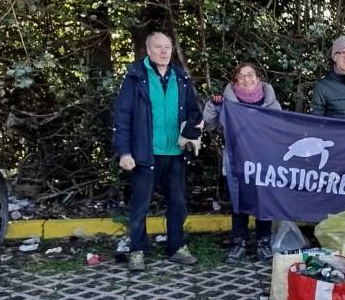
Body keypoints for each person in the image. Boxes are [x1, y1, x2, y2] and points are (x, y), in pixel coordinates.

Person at [114, 31, 203, 271]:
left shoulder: (180, 76)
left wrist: (195, 129)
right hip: (145, 153)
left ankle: (177, 248)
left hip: (175, 153)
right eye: (158, 47)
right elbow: (122, 117)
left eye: (167, 47)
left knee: (177, 203)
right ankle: (137, 251)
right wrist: (124, 152)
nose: (164, 51)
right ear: (148, 50)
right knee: (140, 206)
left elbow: (194, 111)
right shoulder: (135, 77)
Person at [203, 62, 282, 263]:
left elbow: (281, 127)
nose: (246, 79)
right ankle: (239, 243)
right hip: (237, 158)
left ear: (258, 78)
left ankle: (264, 243)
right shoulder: (228, 101)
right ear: (235, 80)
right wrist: (213, 105)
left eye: (250, 74)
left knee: (263, 199)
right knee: (239, 200)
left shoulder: (270, 101)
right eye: (241, 76)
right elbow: (210, 125)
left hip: (264, 158)